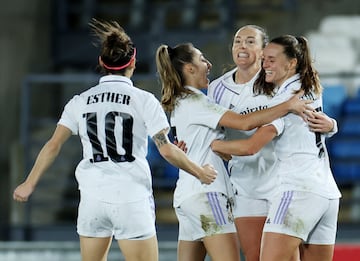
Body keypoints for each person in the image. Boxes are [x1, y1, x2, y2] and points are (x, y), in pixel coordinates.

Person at [12, 19, 219, 261]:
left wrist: (29, 183)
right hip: (130, 197)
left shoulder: (80, 100)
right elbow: (166, 150)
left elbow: (53, 145)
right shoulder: (143, 100)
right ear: (132, 62)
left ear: (102, 63)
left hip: (92, 198)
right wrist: (200, 172)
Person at [155, 42, 311, 261]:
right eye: (201, 59)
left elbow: (198, 145)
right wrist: (288, 105)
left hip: (186, 196)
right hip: (208, 195)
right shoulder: (197, 101)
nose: (208, 64)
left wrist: (222, 150)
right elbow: (245, 123)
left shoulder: (181, 101)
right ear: (189, 68)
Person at [208, 25, 337, 261]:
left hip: (294, 187)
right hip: (322, 189)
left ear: (290, 63)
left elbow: (251, 142)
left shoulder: (282, 94)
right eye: (238, 40)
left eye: (251, 42)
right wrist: (332, 126)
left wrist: (213, 146)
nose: (243, 46)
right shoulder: (305, 84)